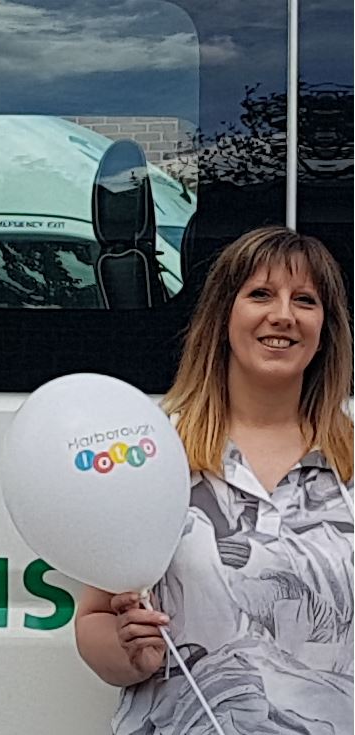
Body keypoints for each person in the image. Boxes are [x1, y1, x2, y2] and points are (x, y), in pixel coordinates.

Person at [74, 226, 353, 733]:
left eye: (305, 300)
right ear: (224, 314)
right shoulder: (154, 453)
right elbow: (95, 619)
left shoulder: (349, 459)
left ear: (326, 327)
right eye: (261, 294)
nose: (283, 315)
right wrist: (128, 652)